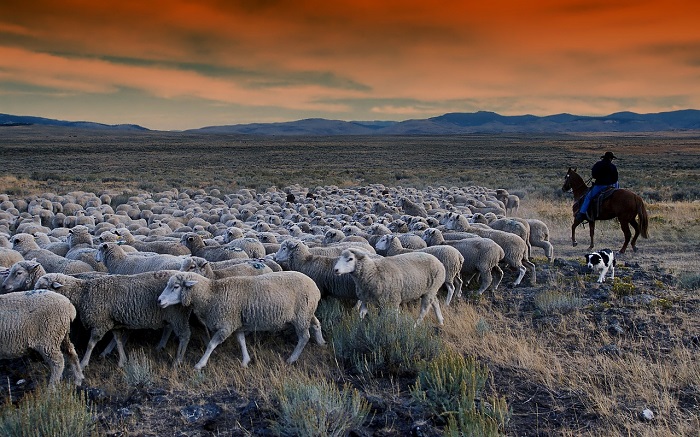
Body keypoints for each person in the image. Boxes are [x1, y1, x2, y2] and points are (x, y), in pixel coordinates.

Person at [576, 151, 619, 221]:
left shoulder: (598, 164)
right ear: (610, 158)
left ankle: (581, 214)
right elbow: (615, 178)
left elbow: (594, 175)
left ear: (604, 157)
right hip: (610, 186)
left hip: (600, 185)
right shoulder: (613, 166)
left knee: (588, 197)